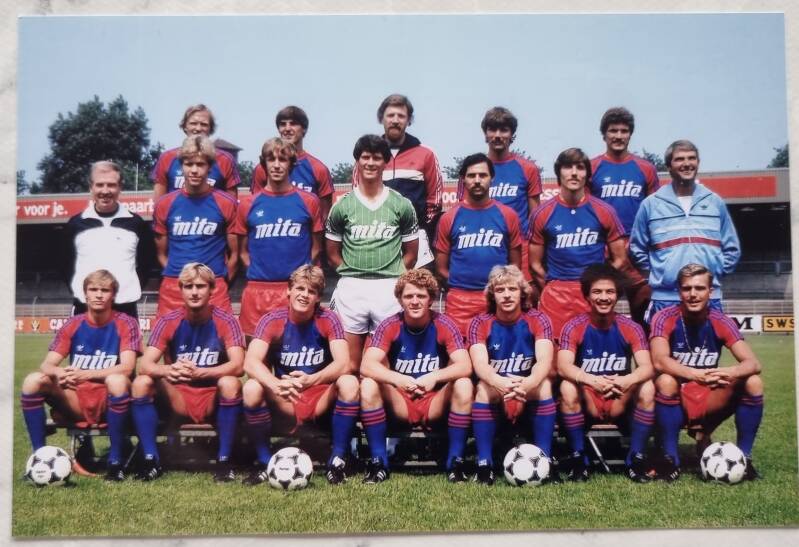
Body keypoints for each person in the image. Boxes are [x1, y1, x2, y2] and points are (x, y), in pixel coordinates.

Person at [241, 265, 359, 485]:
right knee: (251, 387)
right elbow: (250, 362)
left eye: (311, 291)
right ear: (289, 290)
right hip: (287, 396)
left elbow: (344, 364)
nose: (304, 295)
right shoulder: (272, 319)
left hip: (320, 396)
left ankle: (337, 460)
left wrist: (311, 380)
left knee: (349, 382)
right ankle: (265, 461)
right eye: (300, 288)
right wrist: (275, 384)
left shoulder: (328, 318)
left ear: (318, 298)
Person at [20, 270, 141, 481]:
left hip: (110, 400)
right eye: (93, 289)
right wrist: (60, 372)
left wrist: (84, 374)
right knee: (33, 381)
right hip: (77, 400)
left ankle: (115, 463)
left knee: (117, 380)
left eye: (105, 290)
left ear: (113, 295)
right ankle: (39, 458)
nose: (99, 295)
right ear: (85, 294)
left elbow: (127, 367)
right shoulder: (73, 324)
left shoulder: (126, 322)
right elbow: (47, 364)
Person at [131, 263, 245, 482]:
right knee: (141, 382)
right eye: (188, 286)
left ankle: (224, 461)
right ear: (180, 289)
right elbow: (144, 365)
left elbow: (238, 365)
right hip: (179, 397)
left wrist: (201, 373)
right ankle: (150, 460)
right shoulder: (168, 320)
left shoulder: (226, 320)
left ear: (212, 290)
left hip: (212, 396)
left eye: (200, 286)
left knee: (230, 383)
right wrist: (168, 369)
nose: (194, 292)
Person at [650, 263, 763, 481]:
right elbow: (659, 361)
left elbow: (753, 363)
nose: (693, 294)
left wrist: (729, 372)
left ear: (710, 291)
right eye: (687, 288)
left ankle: (745, 459)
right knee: (665, 380)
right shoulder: (664, 317)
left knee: (753, 382)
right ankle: (670, 459)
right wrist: (696, 374)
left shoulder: (720, 321)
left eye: (700, 288)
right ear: (679, 291)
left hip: (708, 395)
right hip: (675, 396)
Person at [360, 269, 473, 483]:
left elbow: (465, 365)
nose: (414, 301)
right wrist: (398, 379)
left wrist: (434, 377)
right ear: (400, 300)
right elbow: (367, 365)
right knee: (368, 384)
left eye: (421, 296)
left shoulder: (444, 323)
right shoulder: (390, 324)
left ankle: (456, 462)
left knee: (464, 384)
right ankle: (378, 462)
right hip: (401, 400)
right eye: (408, 296)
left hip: (433, 402)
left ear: (431, 299)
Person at [326, 134, 419, 372]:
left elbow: (411, 253)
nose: (370, 163)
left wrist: (396, 275)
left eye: (377, 158)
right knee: (349, 364)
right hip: (352, 287)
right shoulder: (342, 205)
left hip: (389, 287)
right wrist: (352, 272)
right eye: (365, 157)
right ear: (357, 161)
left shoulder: (401, 204)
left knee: (386, 365)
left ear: (385, 162)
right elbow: (332, 253)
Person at [557, 263, 655, 482]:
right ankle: (579, 459)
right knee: (567, 386)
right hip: (589, 397)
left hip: (620, 396)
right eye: (597, 292)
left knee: (647, 386)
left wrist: (626, 380)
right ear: (587, 296)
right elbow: (563, 365)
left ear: (617, 295)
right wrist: (593, 381)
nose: (604, 297)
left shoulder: (631, 327)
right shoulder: (574, 326)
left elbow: (647, 366)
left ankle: (636, 458)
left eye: (610, 292)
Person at [630, 139, 741, 324]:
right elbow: (636, 248)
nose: (687, 163)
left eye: (692, 158)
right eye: (680, 159)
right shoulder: (651, 204)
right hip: (665, 299)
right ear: (669, 166)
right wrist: (661, 274)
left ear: (698, 162)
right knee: (662, 344)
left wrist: (714, 272)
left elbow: (732, 249)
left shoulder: (714, 202)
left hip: (708, 299)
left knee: (709, 345)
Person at [529, 147, 630, 343]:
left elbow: (620, 259)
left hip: (592, 295)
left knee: (595, 351)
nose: (574, 173)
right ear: (559, 173)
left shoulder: (605, 211)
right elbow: (535, 264)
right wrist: (550, 287)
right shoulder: (542, 213)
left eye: (580, 167)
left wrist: (599, 284)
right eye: (568, 167)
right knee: (557, 356)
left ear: (587, 174)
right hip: (557, 296)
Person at [468, 265, 556, 485]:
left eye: (512, 289)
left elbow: (544, 361)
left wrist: (527, 383)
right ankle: (484, 464)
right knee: (483, 388)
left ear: (522, 293)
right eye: (500, 290)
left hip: (526, 388)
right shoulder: (479, 322)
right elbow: (480, 365)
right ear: (492, 294)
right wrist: (500, 382)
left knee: (544, 385)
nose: (506, 295)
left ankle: (546, 461)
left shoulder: (538, 319)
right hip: (498, 389)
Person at [233, 137, 323, 338]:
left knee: (295, 351)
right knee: (255, 353)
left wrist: (301, 279)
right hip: (258, 289)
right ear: (263, 163)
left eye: (282, 159)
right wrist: (262, 273)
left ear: (292, 164)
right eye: (270, 159)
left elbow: (316, 247)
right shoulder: (248, 204)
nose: (276, 165)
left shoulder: (309, 201)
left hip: (295, 290)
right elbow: (243, 252)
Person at [435, 153, 523, 338]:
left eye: (482, 175)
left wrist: (499, 289)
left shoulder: (508, 215)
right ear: (463, 179)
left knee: (497, 351)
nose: (477, 180)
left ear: (492, 178)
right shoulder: (449, 218)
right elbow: (441, 268)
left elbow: (515, 265)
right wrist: (461, 283)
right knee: (459, 353)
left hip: (496, 299)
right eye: (471, 175)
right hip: (460, 302)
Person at [153, 135, 238, 317]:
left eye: (200, 164)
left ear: (210, 167)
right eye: (188, 164)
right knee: (167, 336)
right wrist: (180, 277)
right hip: (174, 285)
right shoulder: (165, 204)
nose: (194, 170)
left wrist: (218, 282)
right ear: (181, 166)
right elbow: (161, 254)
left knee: (222, 335)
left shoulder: (226, 203)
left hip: (214, 285)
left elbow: (235, 255)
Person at [456, 107, 541, 283]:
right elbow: (462, 212)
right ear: (485, 134)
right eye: (492, 129)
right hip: (484, 244)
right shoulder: (473, 170)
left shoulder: (528, 169)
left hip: (519, 247)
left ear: (512, 134)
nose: (497, 135)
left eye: (503, 130)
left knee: (521, 295)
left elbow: (535, 219)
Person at [590, 107, 658, 324]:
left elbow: (654, 214)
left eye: (624, 131)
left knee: (644, 320)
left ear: (630, 134)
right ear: (604, 134)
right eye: (613, 131)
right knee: (598, 317)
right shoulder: (592, 168)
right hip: (604, 251)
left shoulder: (646, 168)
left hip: (637, 251)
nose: (618, 136)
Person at [356, 94, 442, 265]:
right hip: (377, 237)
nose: (395, 120)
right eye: (390, 115)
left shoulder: (426, 154)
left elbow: (435, 200)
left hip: (416, 239)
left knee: (416, 283)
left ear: (409, 120)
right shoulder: (366, 156)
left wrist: (418, 227)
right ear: (381, 119)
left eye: (401, 116)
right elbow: (357, 197)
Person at [63, 160, 154, 318]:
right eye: (99, 185)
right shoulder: (75, 224)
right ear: (91, 187)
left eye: (111, 185)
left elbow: (146, 265)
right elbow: (65, 266)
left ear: (120, 187)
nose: (105, 191)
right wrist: (82, 291)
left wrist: (125, 290)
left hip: (125, 308)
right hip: (85, 308)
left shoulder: (136, 224)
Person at [250, 105, 334, 222]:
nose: (287, 128)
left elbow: (325, 217)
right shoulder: (262, 168)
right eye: (283, 124)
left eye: (293, 123)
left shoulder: (319, 169)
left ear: (304, 129)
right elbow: (256, 207)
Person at [151, 104, 240, 199]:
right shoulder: (166, 158)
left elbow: (232, 203)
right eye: (193, 123)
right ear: (185, 126)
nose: (198, 128)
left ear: (211, 129)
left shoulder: (225, 160)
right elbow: (159, 203)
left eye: (204, 124)